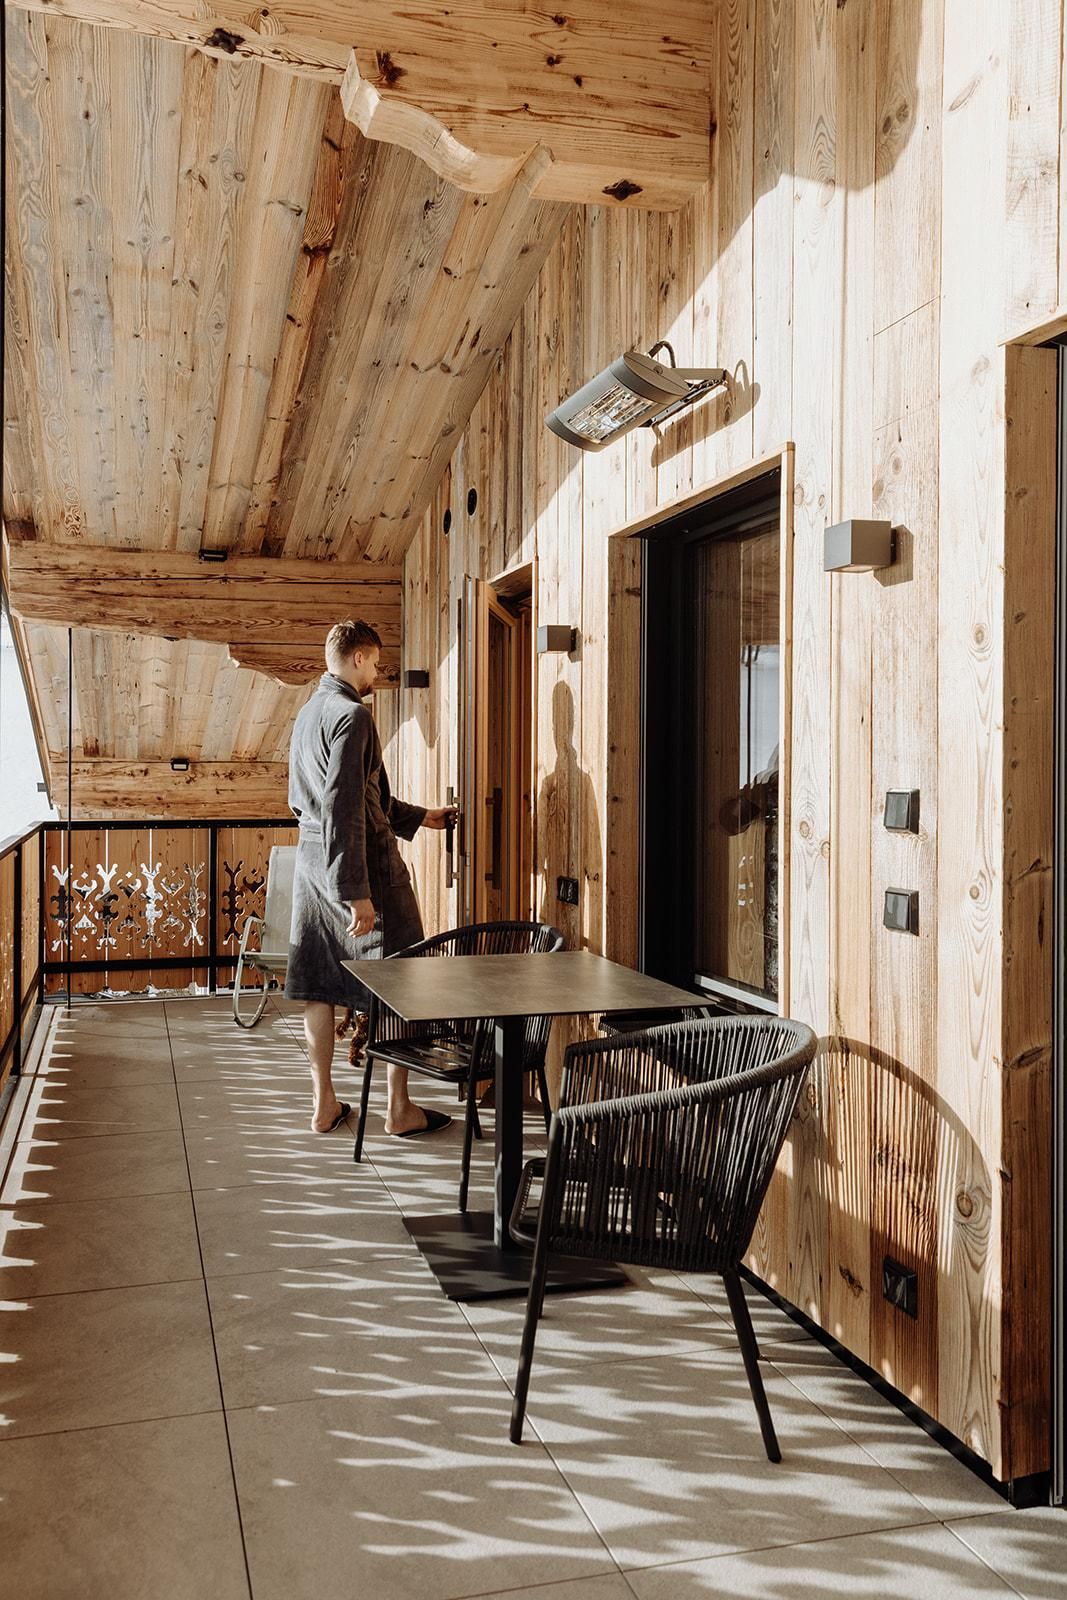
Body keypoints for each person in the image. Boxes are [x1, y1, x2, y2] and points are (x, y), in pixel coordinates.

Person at [285, 618, 455, 1136]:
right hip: (365, 869)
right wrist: (355, 892)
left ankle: (324, 1103)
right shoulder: (353, 715)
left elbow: (352, 797)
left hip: (312, 863)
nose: (376, 675)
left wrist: (422, 817)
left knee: (319, 984)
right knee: (402, 978)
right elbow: (344, 807)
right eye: (375, 664)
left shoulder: (307, 714)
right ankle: (399, 1108)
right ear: (358, 657)